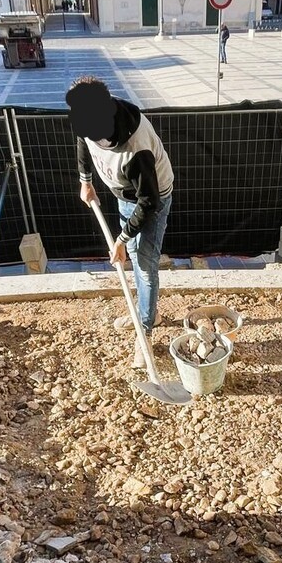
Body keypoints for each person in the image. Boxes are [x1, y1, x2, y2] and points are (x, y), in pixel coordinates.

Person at [66, 76, 174, 370]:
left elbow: (149, 202)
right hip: (126, 194)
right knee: (137, 257)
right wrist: (85, 181)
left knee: (145, 265)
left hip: (153, 197)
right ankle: (145, 313)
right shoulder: (90, 120)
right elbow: (83, 140)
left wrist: (121, 240)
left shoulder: (135, 148)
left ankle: (146, 330)